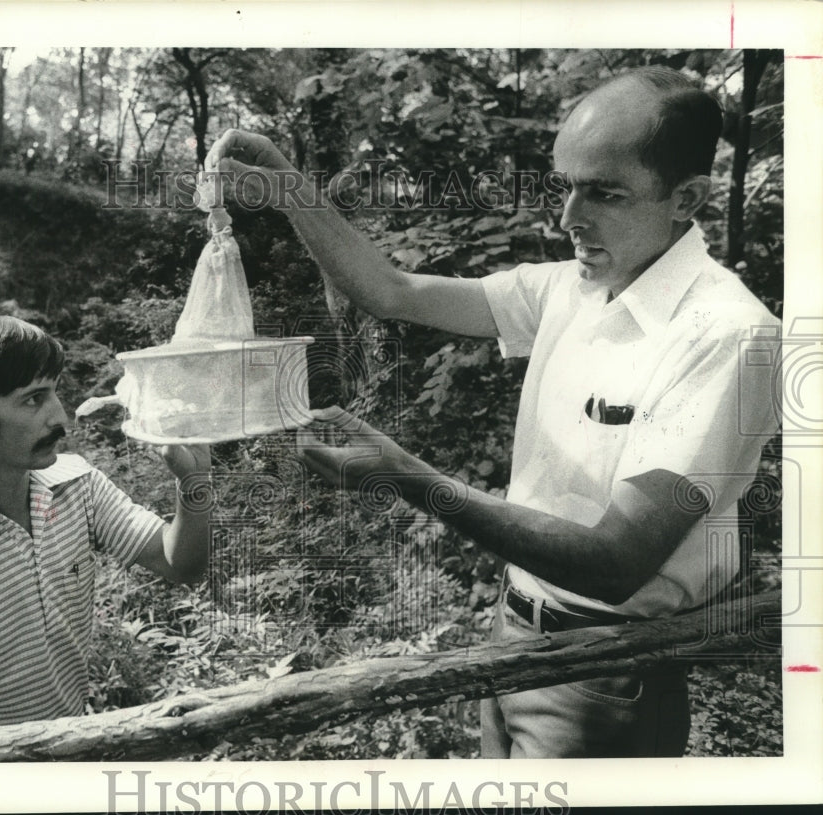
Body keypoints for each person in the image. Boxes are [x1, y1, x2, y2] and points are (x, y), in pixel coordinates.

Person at [205, 66, 781, 758]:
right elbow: (391, 291)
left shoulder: (727, 334)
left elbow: (617, 563)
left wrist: (411, 478)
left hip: (606, 673)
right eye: (566, 186)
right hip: (510, 635)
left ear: (686, 197)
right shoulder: (568, 289)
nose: (569, 217)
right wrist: (287, 186)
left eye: (605, 192)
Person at [0, 316, 211, 737]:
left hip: (77, 746)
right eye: (33, 399)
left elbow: (181, 565)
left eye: (54, 391)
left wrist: (193, 481)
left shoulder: (79, 486)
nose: (61, 416)